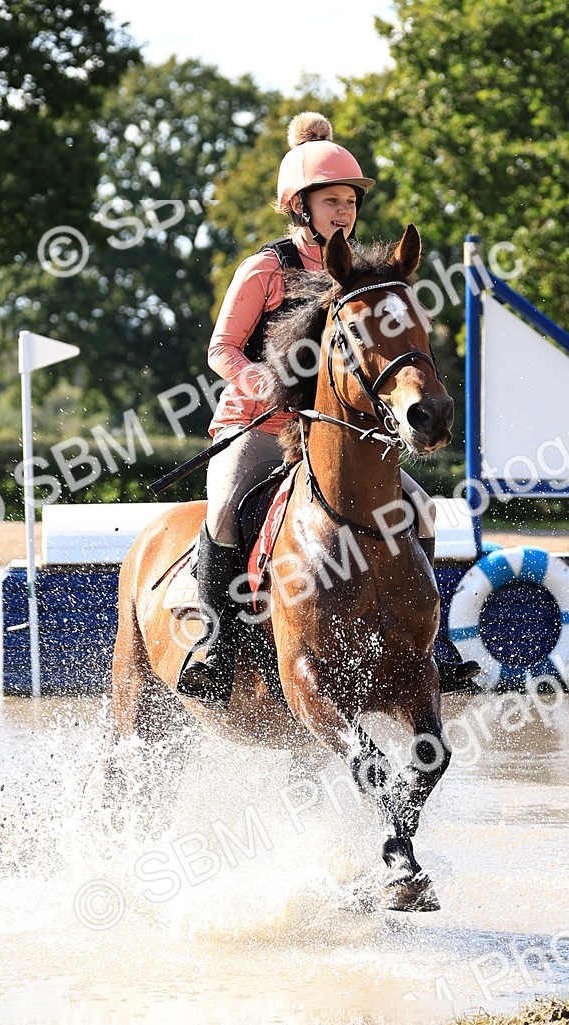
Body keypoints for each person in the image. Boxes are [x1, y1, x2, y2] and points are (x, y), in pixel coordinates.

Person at [178, 111, 465, 706]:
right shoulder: (265, 268)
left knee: (420, 508)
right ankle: (216, 648)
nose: (344, 212)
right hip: (258, 427)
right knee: (226, 512)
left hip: (331, 435)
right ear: (299, 205)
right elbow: (221, 349)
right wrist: (268, 387)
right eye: (331, 200)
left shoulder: (358, 275)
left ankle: (430, 641)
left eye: (350, 202)